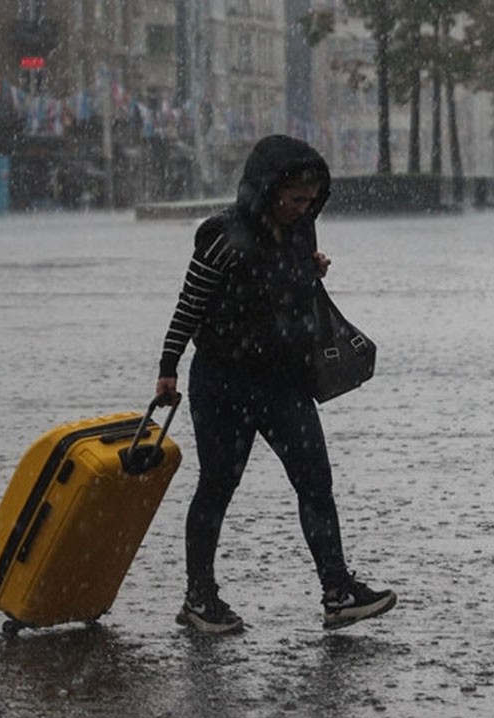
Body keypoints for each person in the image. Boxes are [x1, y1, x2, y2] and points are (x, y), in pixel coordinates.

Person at [155, 134, 396, 634]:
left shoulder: (301, 231)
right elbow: (190, 304)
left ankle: (337, 591)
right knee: (218, 486)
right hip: (223, 382)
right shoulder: (222, 237)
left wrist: (310, 269)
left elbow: (286, 290)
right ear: (266, 190)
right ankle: (199, 598)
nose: (302, 209)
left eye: (310, 201)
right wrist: (167, 368)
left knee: (315, 482)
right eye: (293, 200)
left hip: (283, 379)